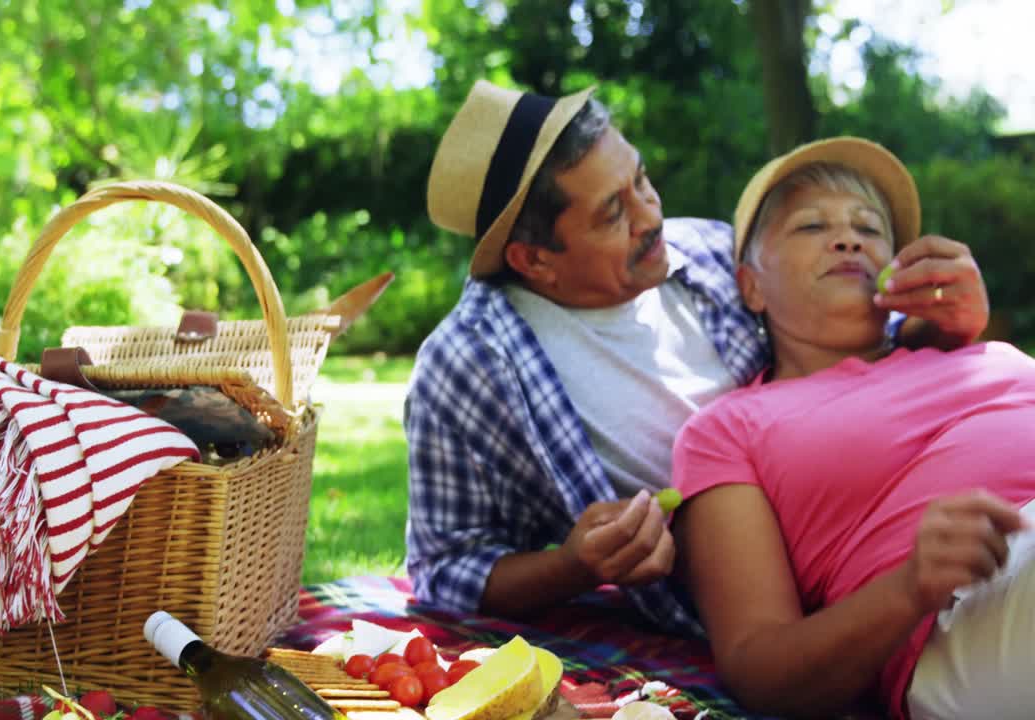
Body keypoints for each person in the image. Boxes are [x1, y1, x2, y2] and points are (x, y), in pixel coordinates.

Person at [405, 79, 992, 630]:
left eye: (641, 180)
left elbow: (877, 350)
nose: (651, 216)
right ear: (534, 260)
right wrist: (574, 567)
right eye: (614, 212)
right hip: (786, 611)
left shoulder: (708, 253)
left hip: (893, 516)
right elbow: (445, 567)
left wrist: (949, 323)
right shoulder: (467, 367)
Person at [670, 136, 1035, 719]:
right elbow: (757, 665)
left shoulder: (961, 349)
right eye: (810, 227)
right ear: (750, 286)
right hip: (973, 606)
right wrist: (910, 586)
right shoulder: (726, 430)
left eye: (868, 228)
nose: (847, 239)